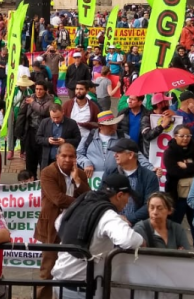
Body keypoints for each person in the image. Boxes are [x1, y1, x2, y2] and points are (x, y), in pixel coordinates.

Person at [52, 173, 143, 298]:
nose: (128, 202)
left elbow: (58, 224)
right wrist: (142, 240)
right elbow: (129, 240)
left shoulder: (82, 202)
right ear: (119, 195)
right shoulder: (108, 215)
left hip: (60, 282)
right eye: (128, 197)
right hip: (81, 290)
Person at [36, 144, 89, 299]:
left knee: (70, 271)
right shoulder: (48, 172)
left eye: (71, 156)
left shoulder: (80, 174)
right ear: (57, 156)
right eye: (64, 156)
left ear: (75, 158)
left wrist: (78, 180)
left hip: (73, 229)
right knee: (48, 271)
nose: (67, 159)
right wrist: (81, 202)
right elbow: (57, 199)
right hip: (51, 227)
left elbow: (89, 196)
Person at [162, 124, 194, 232]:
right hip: (177, 196)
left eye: (188, 136)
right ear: (175, 136)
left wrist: (187, 165)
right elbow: (175, 172)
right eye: (182, 136)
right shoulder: (170, 152)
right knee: (174, 225)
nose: (185, 139)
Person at [108, 138, 159, 225]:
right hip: (111, 224)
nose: (114, 155)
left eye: (119, 152)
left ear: (131, 155)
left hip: (138, 226)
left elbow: (150, 205)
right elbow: (101, 197)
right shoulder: (110, 172)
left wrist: (129, 219)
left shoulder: (149, 177)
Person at [17, 81, 54, 173]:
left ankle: (43, 181)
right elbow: (22, 112)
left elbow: (43, 110)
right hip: (31, 130)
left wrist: (32, 103)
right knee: (30, 158)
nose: (38, 91)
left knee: (43, 159)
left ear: (45, 90)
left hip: (43, 133)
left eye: (41, 89)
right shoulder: (31, 97)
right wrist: (24, 103)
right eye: (37, 89)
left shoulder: (50, 100)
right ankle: (31, 179)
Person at [35, 103, 82, 174]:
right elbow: (38, 138)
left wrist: (65, 142)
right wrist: (47, 140)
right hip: (48, 160)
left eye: (58, 117)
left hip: (65, 162)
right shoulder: (44, 122)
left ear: (63, 112)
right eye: (53, 117)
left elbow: (78, 140)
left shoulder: (72, 123)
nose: (56, 120)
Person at [63, 81, 100, 147]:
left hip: (86, 139)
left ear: (87, 91)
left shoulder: (93, 106)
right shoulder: (67, 105)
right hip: (70, 139)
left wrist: (88, 124)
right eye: (77, 89)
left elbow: (98, 123)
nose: (78, 91)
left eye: (81, 89)